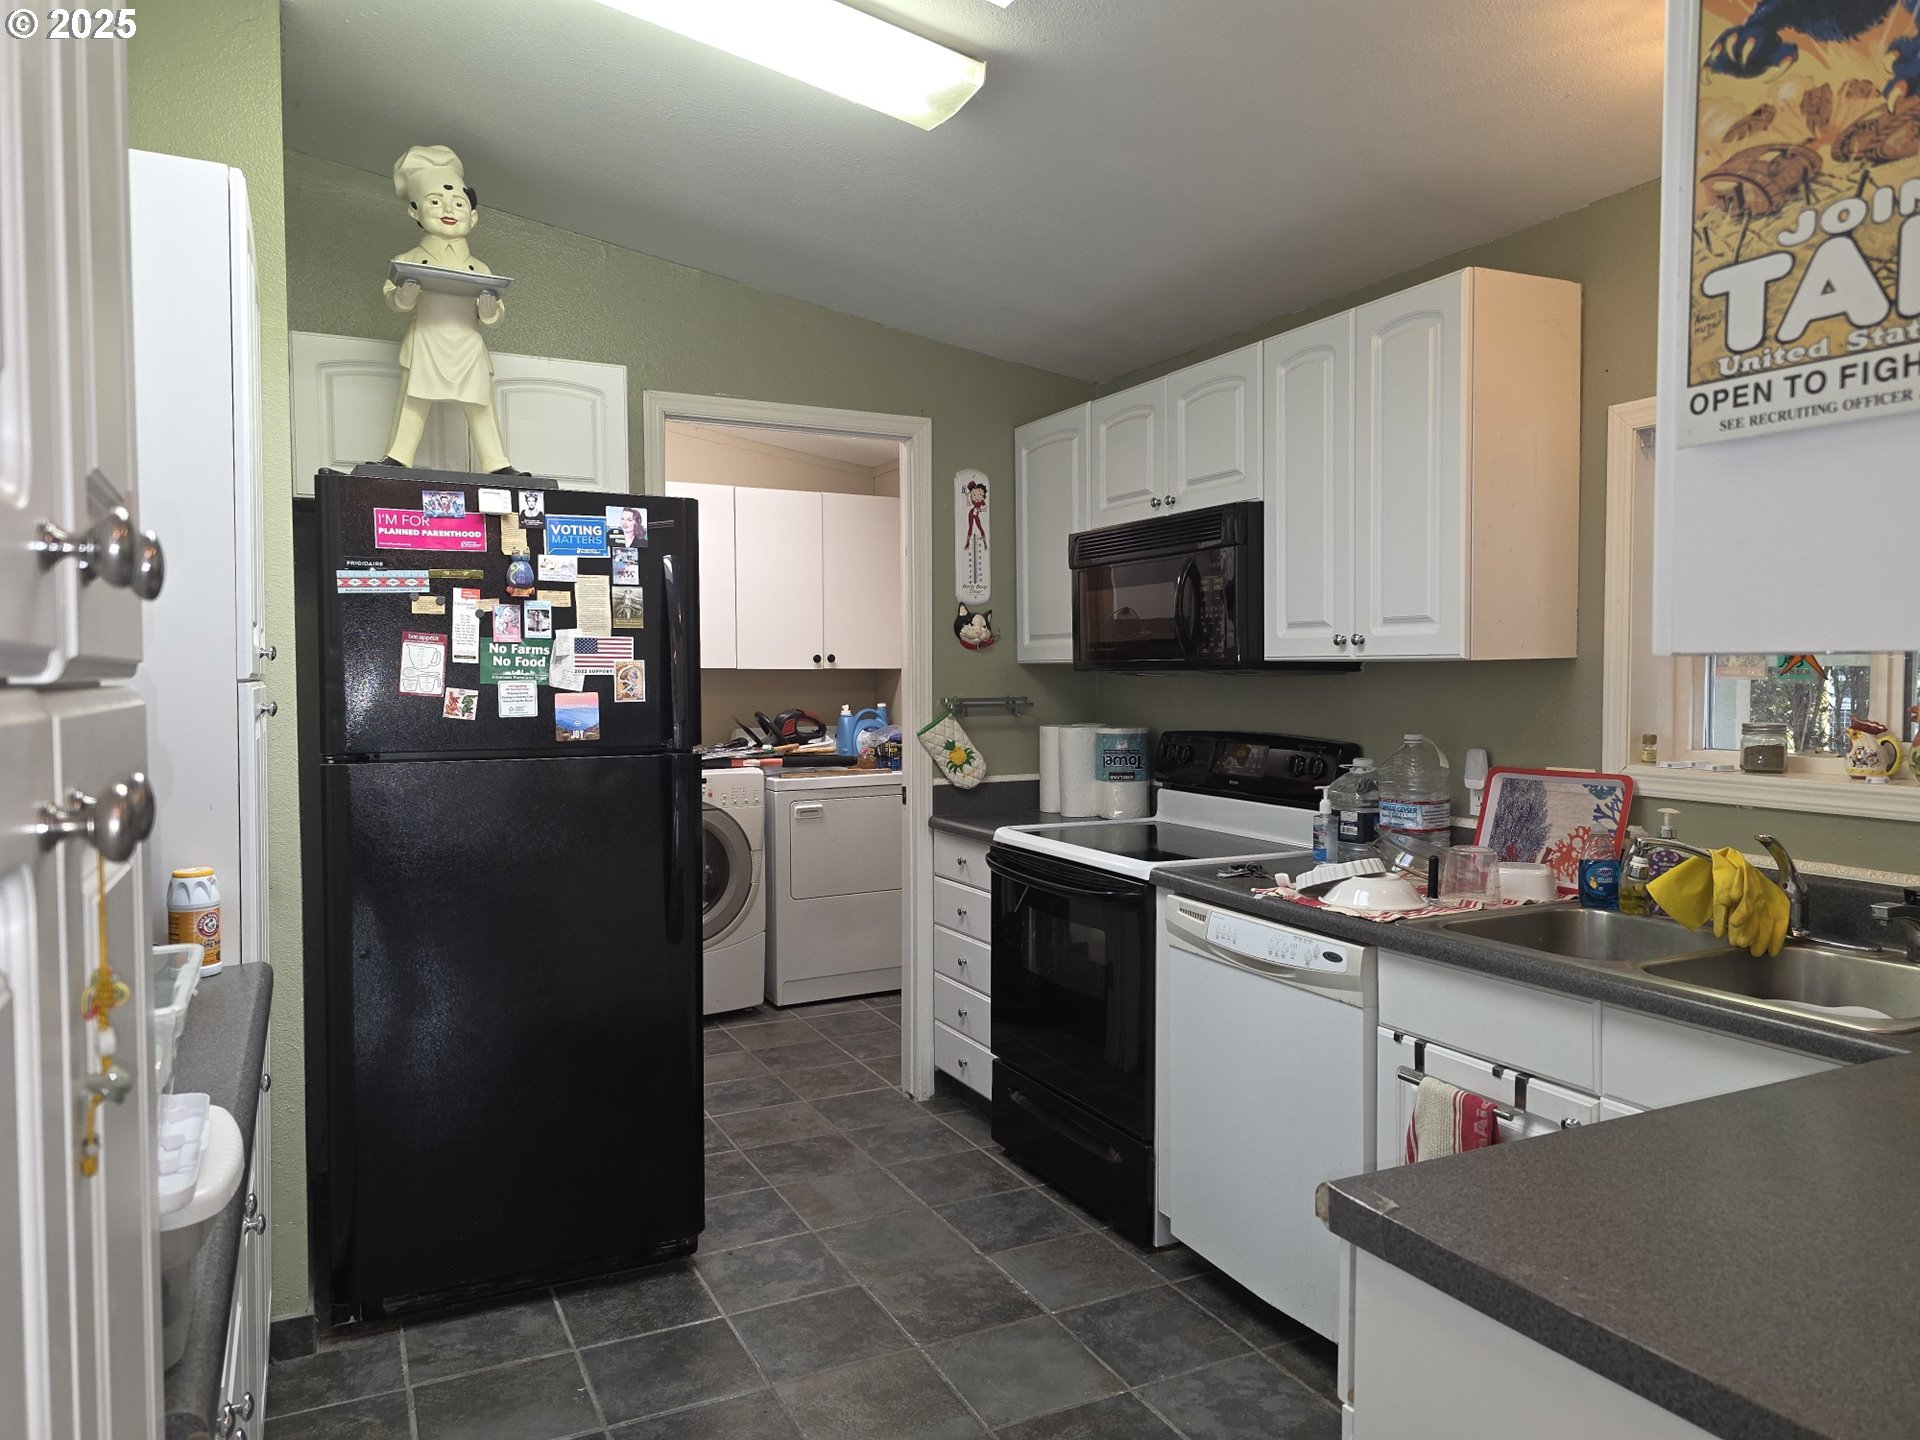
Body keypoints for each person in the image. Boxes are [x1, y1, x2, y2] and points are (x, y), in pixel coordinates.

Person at [376, 145, 524, 476]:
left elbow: (496, 314)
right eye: (435, 202)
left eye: (458, 204)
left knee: (480, 403)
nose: (448, 209)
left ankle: (496, 462)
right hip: (426, 338)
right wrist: (405, 295)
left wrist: (488, 311)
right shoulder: (407, 259)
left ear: (472, 216)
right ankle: (398, 456)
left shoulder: (479, 266)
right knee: (414, 398)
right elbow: (392, 298)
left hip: (468, 343)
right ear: (414, 211)